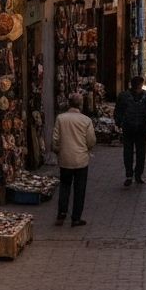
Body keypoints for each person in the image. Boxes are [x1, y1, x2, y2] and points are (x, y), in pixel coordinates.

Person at [52, 92, 96, 227]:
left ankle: (62, 214)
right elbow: (91, 140)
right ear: (80, 105)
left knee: (64, 186)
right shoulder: (86, 120)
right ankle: (76, 218)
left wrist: (58, 151)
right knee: (79, 189)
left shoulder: (61, 118)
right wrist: (88, 149)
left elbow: (55, 140)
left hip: (65, 159)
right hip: (81, 159)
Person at [114, 75, 146, 186]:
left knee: (131, 152)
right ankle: (135, 175)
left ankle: (132, 175)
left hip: (132, 128)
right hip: (138, 129)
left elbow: (117, 111)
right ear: (140, 85)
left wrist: (119, 123)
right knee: (138, 153)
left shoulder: (124, 96)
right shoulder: (144, 96)